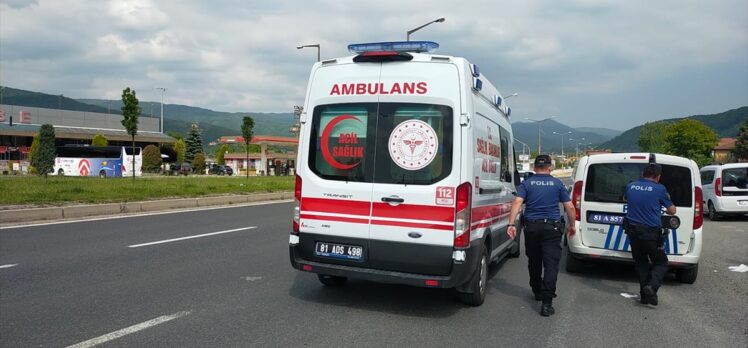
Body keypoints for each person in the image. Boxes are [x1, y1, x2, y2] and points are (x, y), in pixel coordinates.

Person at [507, 155, 576, 317]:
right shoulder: (557, 184)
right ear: (550, 167)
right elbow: (570, 207)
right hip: (552, 228)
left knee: (534, 260)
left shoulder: (527, 183)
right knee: (551, 265)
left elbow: (517, 202)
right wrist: (571, 225)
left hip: (532, 228)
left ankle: (537, 289)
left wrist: (511, 224)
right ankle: (547, 303)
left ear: (535, 167)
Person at [623, 163, 676, 306]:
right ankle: (652, 287)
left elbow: (625, 199)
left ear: (642, 174)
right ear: (658, 177)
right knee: (661, 262)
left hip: (633, 232)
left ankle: (645, 297)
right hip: (651, 234)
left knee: (641, 263)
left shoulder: (631, 186)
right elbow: (672, 211)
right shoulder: (660, 189)